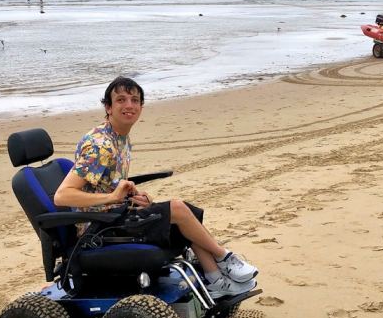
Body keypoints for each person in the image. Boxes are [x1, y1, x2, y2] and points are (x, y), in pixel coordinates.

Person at [53, 76, 259, 297]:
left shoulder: (120, 137)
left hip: (116, 215)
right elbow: (62, 196)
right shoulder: (99, 145)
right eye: (121, 100)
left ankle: (215, 279)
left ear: (141, 106)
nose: (129, 105)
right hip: (97, 229)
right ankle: (224, 258)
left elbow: (106, 184)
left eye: (134, 100)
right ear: (108, 107)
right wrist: (113, 197)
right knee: (177, 208)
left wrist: (134, 196)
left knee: (187, 212)